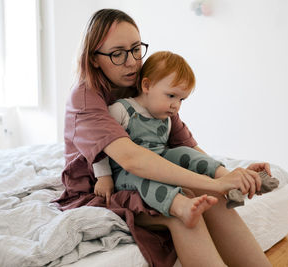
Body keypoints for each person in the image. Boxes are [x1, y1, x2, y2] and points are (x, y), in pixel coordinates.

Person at [55, 8, 272, 267]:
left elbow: (184, 146)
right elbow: (132, 160)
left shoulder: (144, 84)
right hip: (104, 187)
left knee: (211, 198)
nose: (132, 62)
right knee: (184, 207)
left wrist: (229, 176)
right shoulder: (85, 97)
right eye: (117, 54)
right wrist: (215, 184)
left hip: (146, 173)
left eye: (136, 49)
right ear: (93, 59)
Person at [93, 51, 225, 228]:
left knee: (183, 152)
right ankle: (180, 206)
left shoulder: (167, 119)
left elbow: (179, 150)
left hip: (158, 164)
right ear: (147, 85)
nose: (176, 105)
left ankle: (224, 176)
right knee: (143, 178)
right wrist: (103, 176)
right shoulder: (121, 109)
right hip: (127, 173)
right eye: (171, 96)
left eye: (181, 99)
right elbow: (99, 144)